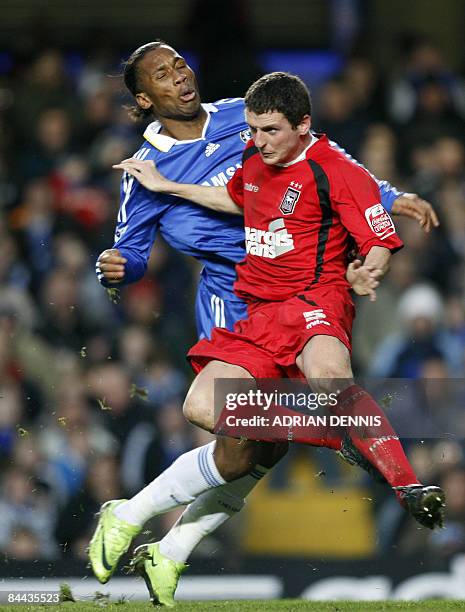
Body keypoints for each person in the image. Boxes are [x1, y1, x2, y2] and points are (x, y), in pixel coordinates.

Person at [90, 42, 440, 606]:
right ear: (144, 97)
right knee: (242, 438)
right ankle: (337, 431)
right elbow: (128, 251)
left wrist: (390, 197)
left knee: (260, 448)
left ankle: (166, 546)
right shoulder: (146, 169)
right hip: (235, 298)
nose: (180, 77)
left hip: (300, 284)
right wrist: (114, 270)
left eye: (181, 64)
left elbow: (323, 159)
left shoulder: (242, 115)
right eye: (163, 74)